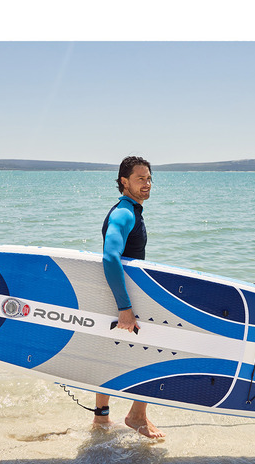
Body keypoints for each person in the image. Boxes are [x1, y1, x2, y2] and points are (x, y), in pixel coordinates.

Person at [94, 156, 165, 439]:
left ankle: (101, 419)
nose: (147, 184)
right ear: (124, 182)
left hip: (117, 293)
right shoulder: (124, 213)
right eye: (140, 179)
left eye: (149, 178)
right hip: (127, 299)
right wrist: (125, 307)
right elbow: (110, 257)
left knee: (108, 352)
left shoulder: (129, 210)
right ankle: (136, 415)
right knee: (153, 351)